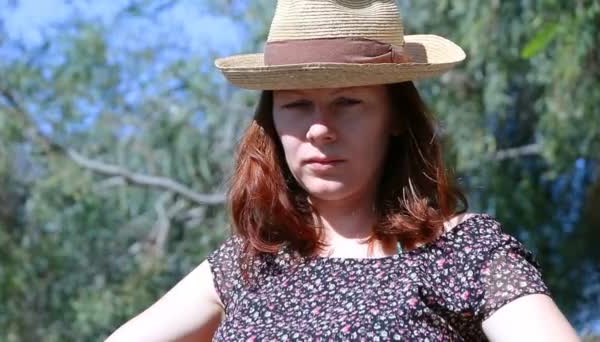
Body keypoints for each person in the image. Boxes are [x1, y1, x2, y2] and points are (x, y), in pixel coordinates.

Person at [106, 0, 580, 341]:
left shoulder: (465, 251)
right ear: (271, 122)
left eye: (348, 102)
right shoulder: (245, 264)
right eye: (295, 105)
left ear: (395, 117)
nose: (319, 129)